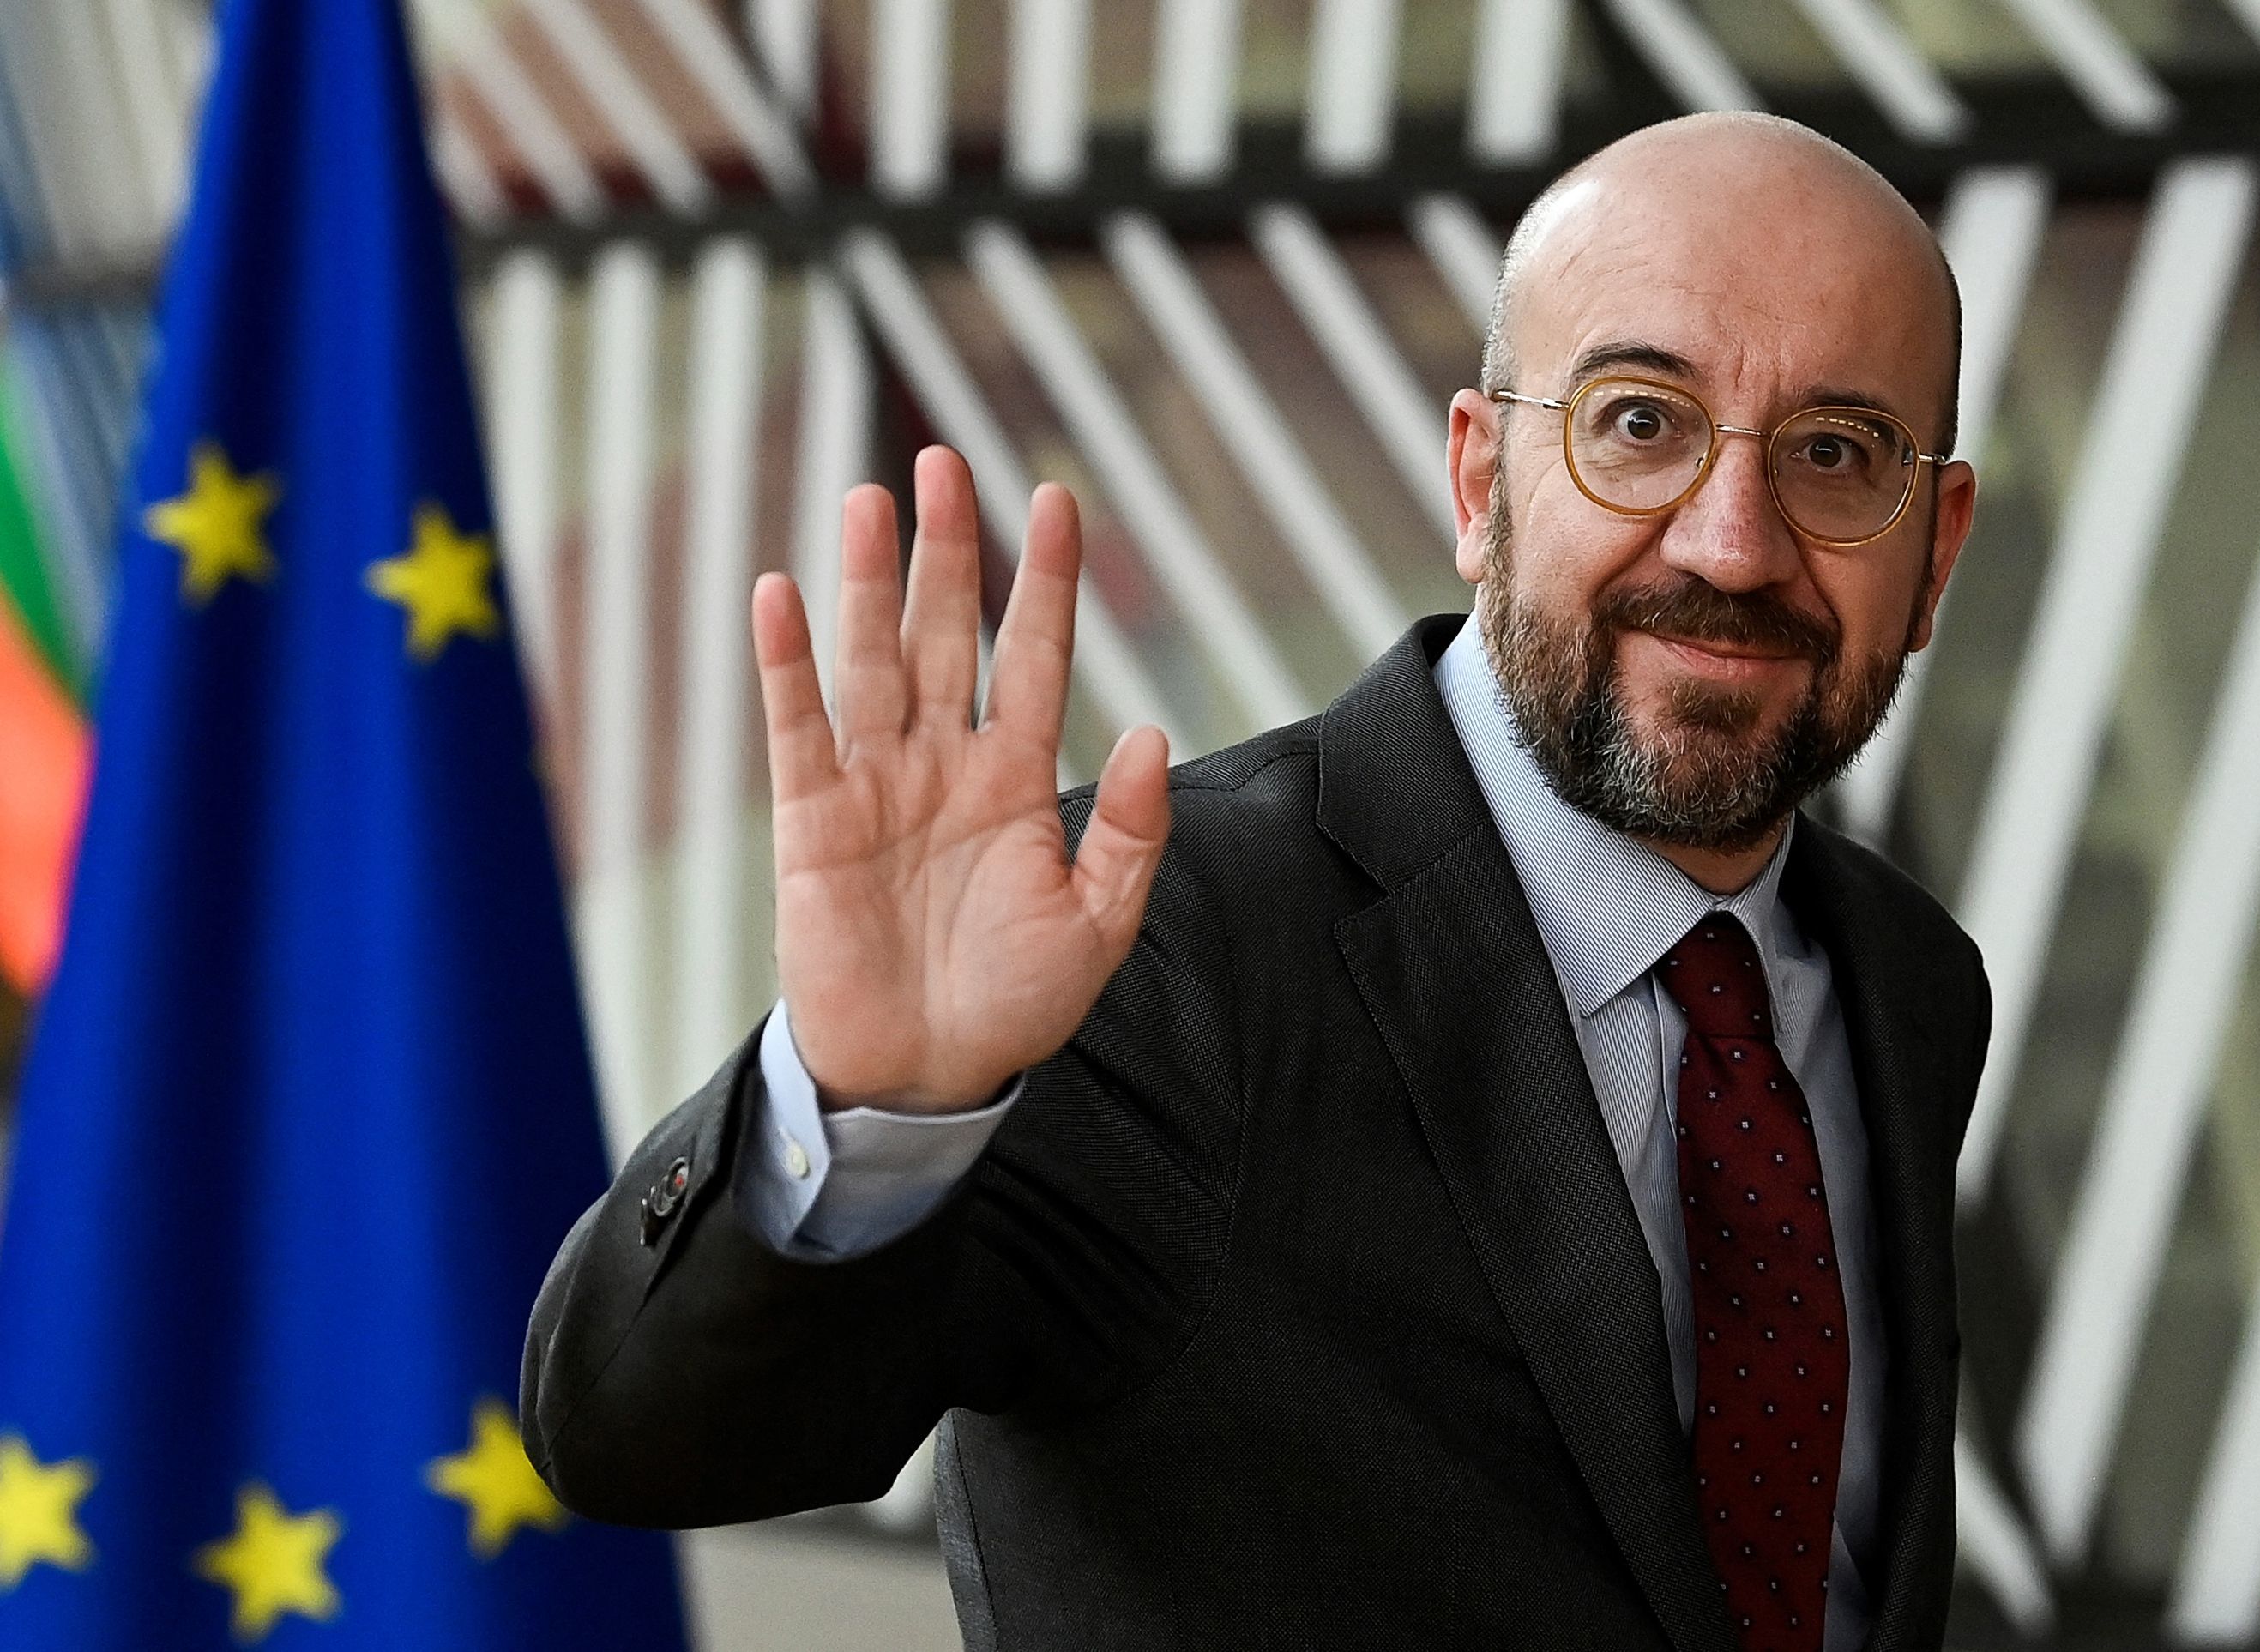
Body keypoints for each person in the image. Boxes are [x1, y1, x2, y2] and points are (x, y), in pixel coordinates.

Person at [522, 111, 1988, 1652]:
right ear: (1480, 483)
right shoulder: (1146, 942)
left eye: (1837, 453)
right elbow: (646, 1432)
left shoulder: (1904, 981)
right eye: (1639, 422)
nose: (1734, 541)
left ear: (1936, 554)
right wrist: (866, 1105)